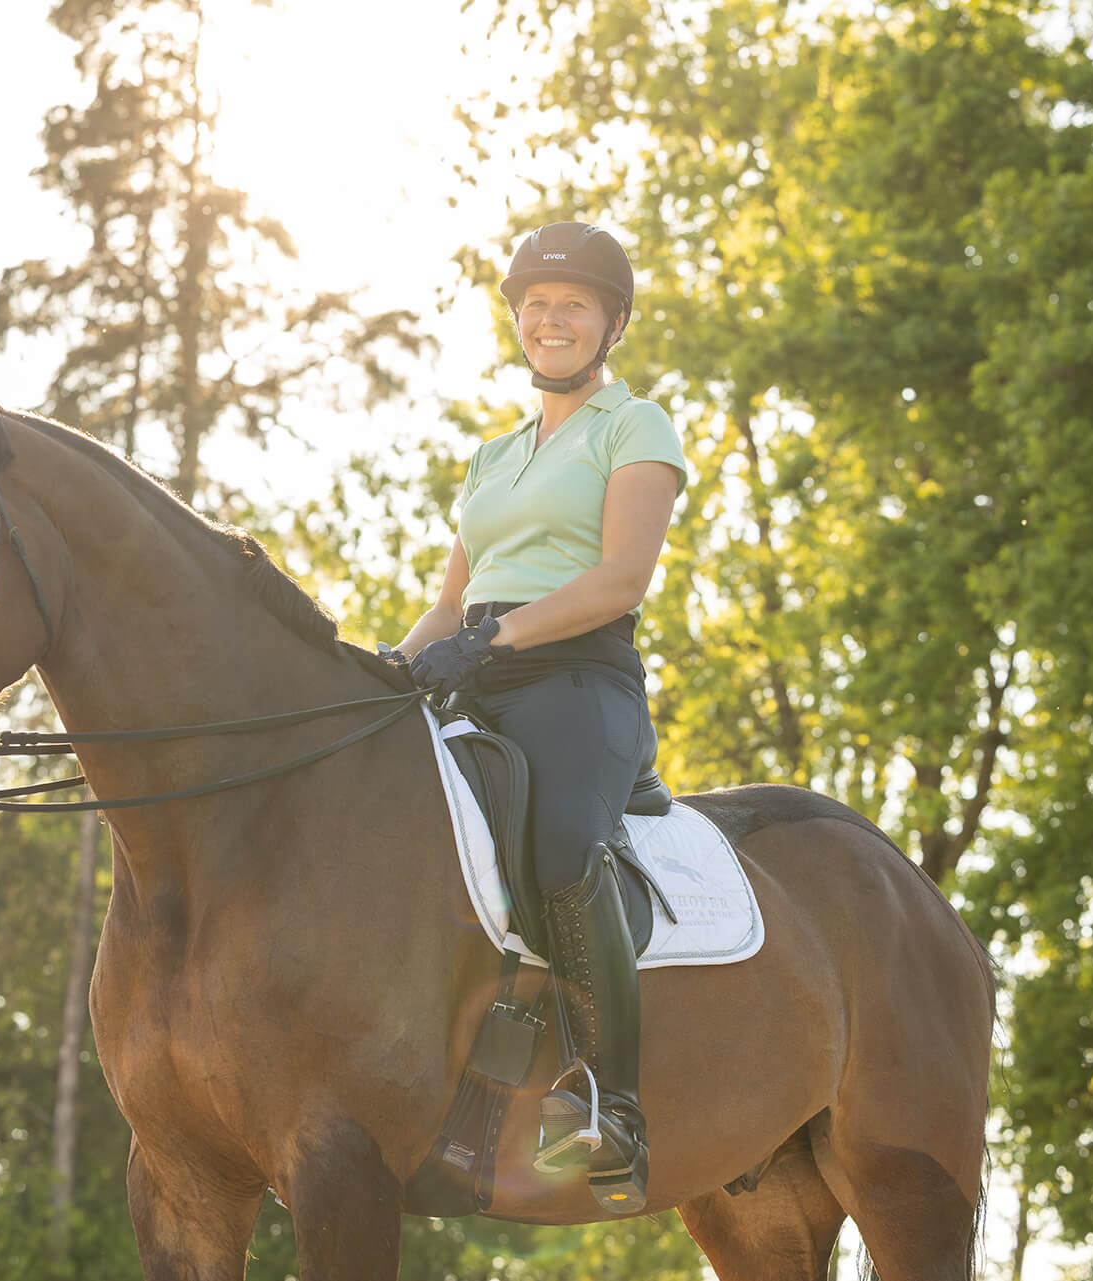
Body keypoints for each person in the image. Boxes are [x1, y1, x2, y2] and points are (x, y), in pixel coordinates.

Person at [391, 221, 687, 1210]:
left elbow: (619, 577)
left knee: (560, 845)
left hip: (577, 682)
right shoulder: (492, 454)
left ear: (609, 324)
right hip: (475, 672)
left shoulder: (633, 425)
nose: (549, 320)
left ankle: (616, 1107)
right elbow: (448, 604)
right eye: (536, 305)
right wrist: (385, 670)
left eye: (572, 306)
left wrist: (494, 639)